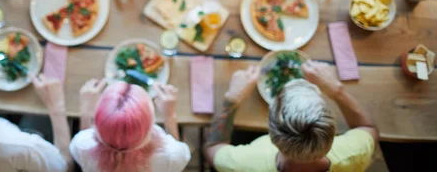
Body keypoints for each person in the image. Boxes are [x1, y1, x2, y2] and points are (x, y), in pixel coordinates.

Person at [205, 62, 378, 172]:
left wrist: (232, 100)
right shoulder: (354, 153)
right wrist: (337, 91)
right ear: (331, 130)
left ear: (270, 134)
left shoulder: (244, 164)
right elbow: (369, 129)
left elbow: (212, 149)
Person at [70, 79, 191, 171]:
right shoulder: (172, 156)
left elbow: (84, 137)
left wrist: (86, 111)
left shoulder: (82, 145)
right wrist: (170, 116)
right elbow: (177, 148)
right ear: (150, 125)